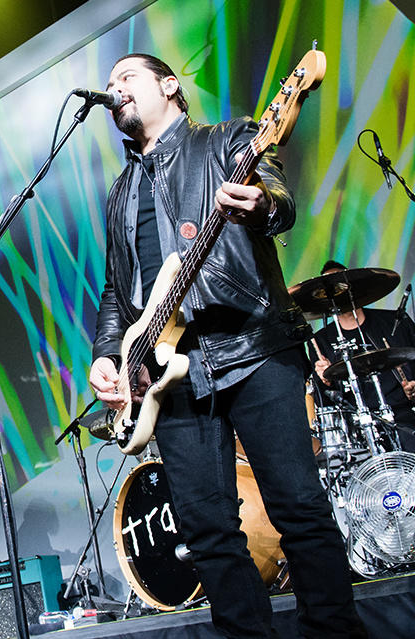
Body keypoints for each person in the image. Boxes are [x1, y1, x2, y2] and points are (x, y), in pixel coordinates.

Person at [88, 54, 367, 638]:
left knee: (298, 508)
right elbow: (117, 288)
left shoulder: (226, 139)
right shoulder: (119, 193)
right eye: (109, 83)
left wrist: (262, 205)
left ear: (170, 86)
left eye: (127, 77)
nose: (114, 89)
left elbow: (279, 199)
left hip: (252, 347)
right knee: (208, 534)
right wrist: (109, 354)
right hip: (171, 378)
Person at [310, 260, 415, 452]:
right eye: (329, 290)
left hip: (401, 416)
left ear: (353, 287)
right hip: (355, 428)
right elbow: (323, 403)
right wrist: (326, 382)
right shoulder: (321, 340)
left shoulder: (394, 323)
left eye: (340, 285)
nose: (336, 293)